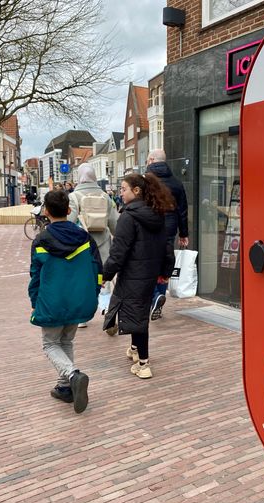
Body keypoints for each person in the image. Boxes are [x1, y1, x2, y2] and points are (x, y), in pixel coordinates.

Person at [28, 189, 102, 413]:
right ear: (69, 210)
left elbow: (36, 276)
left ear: (46, 212)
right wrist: (93, 293)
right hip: (79, 301)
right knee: (66, 342)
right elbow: (98, 270)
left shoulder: (41, 240)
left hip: (52, 301)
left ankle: (72, 375)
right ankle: (65, 387)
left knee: (50, 343)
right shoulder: (86, 239)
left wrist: (34, 300)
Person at [102, 173, 175, 379]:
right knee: (138, 310)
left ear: (137, 191)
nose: (120, 193)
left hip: (132, 274)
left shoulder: (128, 216)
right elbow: (167, 246)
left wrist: (105, 275)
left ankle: (143, 364)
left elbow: (119, 252)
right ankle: (134, 349)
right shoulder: (157, 213)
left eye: (123, 189)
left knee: (137, 315)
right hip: (149, 274)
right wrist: (166, 272)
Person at [68, 163, 119, 328]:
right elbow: (115, 225)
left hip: (81, 246)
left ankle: (82, 318)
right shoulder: (106, 197)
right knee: (103, 277)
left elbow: (68, 222)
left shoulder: (73, 198)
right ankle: (105, 307)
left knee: (82, 278)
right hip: (103, 244)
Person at [145, 149, 189, 320]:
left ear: (152, 160)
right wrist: (184, 233)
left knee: (148, 264)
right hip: (169, 228)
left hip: (149, 226)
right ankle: (159, 301)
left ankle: (155, 296)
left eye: (148, 159)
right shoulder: (177, 183)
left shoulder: (146, 182)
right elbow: (182, 210)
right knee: (164, 263)